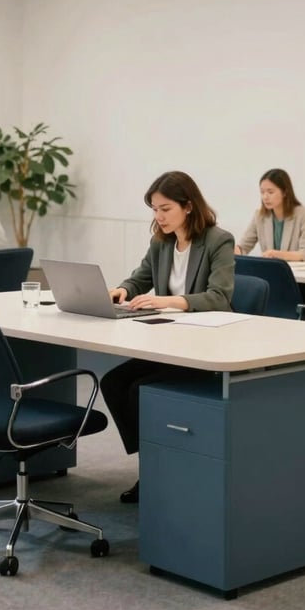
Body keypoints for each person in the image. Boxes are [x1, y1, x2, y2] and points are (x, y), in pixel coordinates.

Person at [101, 170, 235, 503]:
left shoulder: (218, 240)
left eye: (165, 209)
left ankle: (156, 471)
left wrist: (167, 301)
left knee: (138, 389)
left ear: (188, 206)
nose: (159, 217)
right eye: (154, 209)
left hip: (203, 347)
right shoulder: (161, 242)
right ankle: (152, 462)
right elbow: (139, 279)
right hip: (168, 343)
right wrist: (122, 290)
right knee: (113, 383)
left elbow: (219, 297)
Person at [234, 168, 305, 262]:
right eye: (262, 192)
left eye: (270, 192)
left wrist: (278, 255)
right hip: (270, 270)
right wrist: (232, 250)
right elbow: (243, 247)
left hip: (295, 270)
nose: (265, 197)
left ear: (285, 192)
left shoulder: (304, 215)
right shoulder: (259, 216)